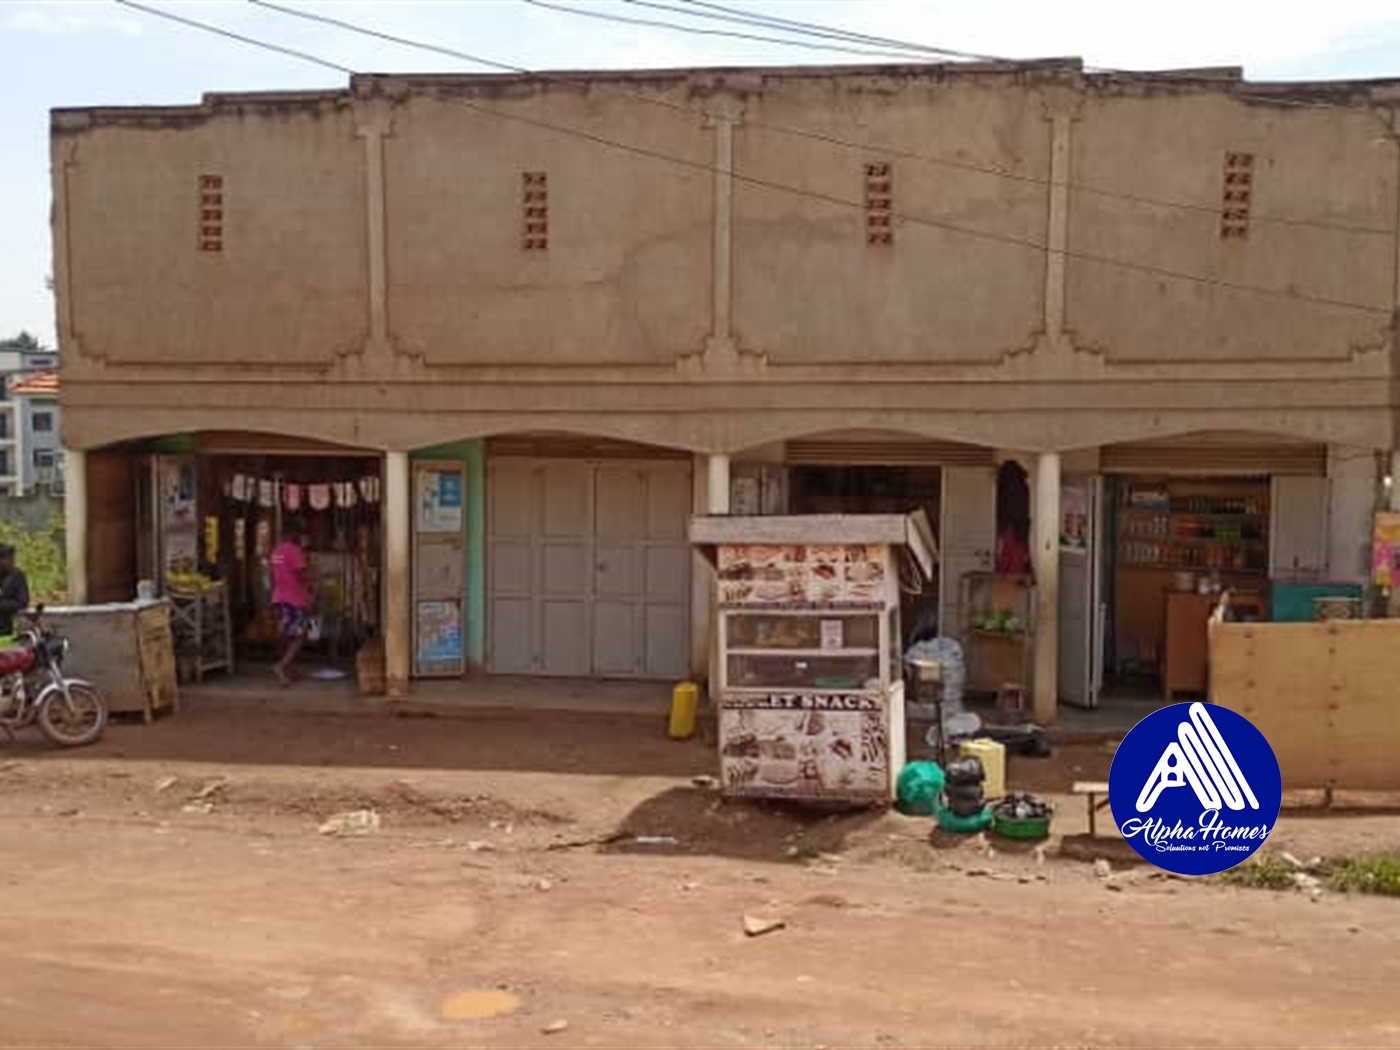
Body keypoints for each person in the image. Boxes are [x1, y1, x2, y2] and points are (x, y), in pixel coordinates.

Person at [269, 527, 312, 684]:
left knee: (289, 634)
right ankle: (281, 665)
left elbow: (273, 573)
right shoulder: (294, 551)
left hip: (279, 597)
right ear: (294, 535)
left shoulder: (276, 551)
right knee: (301, 635)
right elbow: (302, 573)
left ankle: (290, 670)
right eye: (300, 535)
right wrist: (312, 585)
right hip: (294, 598)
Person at [0, 544, 30, 639]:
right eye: (8, 558)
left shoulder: (17, 576)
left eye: (12, 559)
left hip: (5, 627)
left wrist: (2, 604)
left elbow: (22, 602)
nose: (12, 562)